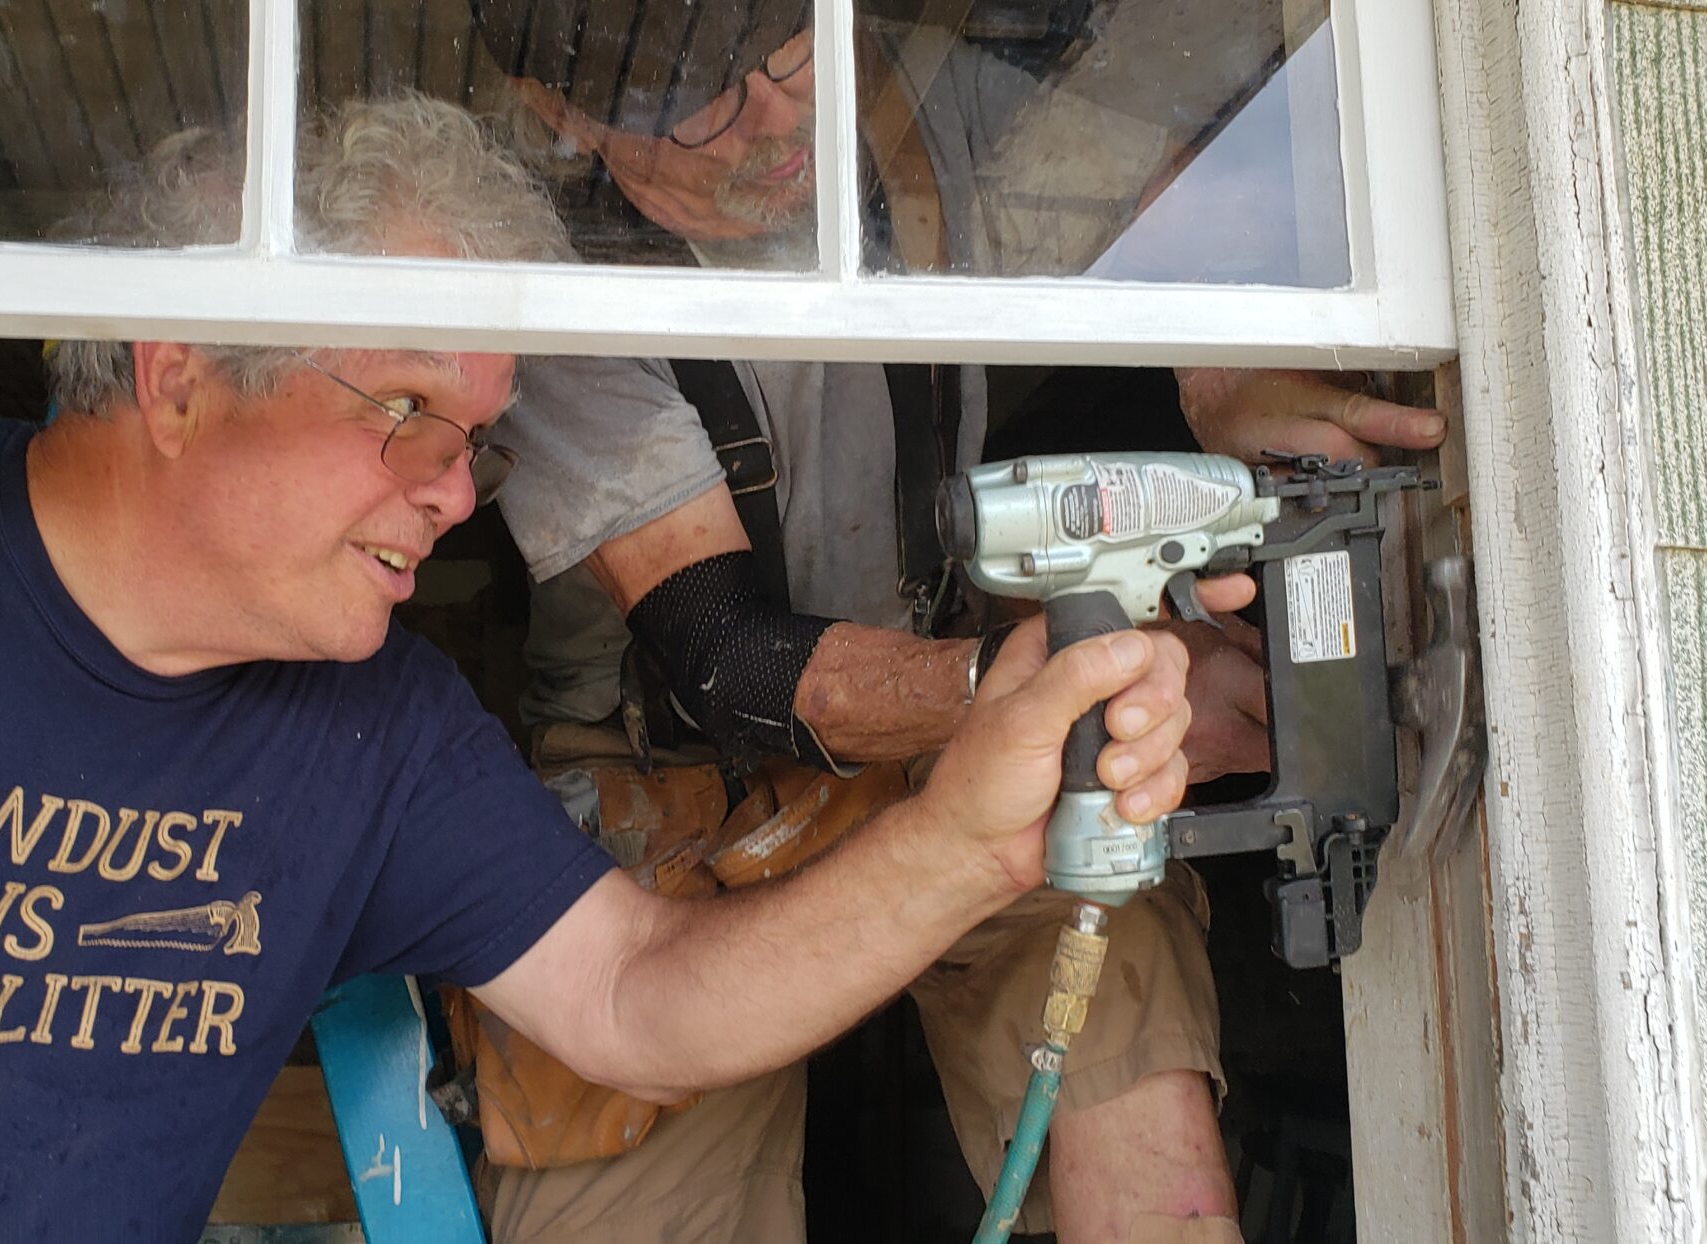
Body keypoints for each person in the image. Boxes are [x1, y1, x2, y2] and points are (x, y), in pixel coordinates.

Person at [0, 93, 1223, 1241]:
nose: (460, 492)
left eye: (476, 434)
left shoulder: (370, 725)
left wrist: (966, 833)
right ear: (179, 378)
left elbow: (635, 997)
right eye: (404, 413)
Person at [462, 2, 1448, 1240]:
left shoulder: (900, 105)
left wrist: (1226, 367)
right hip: (671, 804)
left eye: (784, 52)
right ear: (562, 113)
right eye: (700, 100)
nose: (776, 114)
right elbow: (724, 654)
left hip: (952, 714)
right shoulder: (549, 284)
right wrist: (1059, 697)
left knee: (1142, 1130)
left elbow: (1194, 134)